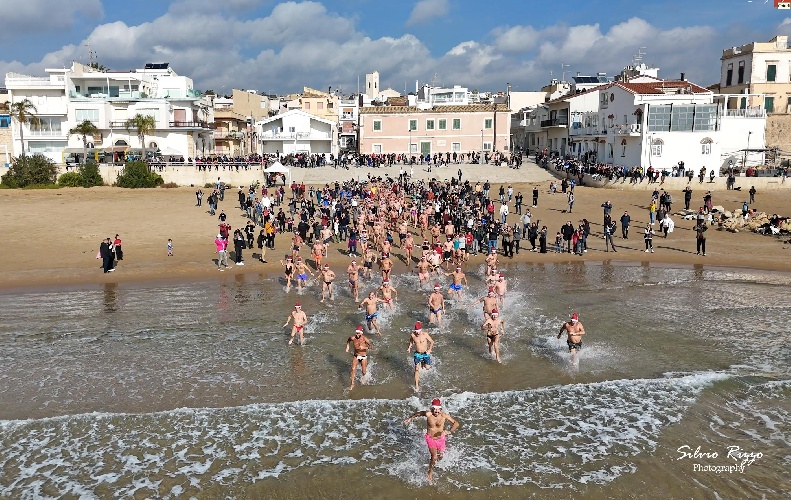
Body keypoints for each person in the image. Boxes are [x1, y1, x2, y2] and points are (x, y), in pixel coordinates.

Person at [403, 398, 460, 481]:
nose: (436, 411)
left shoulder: (444, 416)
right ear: (432, 408)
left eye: (438, 409)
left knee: (441, 456)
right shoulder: (428, 414)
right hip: (431, 439)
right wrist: (410, 418)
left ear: (440, 409)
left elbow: (456, 423)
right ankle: (430, 471)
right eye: (434, 409)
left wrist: (449, 431)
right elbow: (419, 413)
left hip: (441, 439)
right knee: (434, 457)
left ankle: (433, 463)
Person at [407, 322, 435, 390]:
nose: (417, 333)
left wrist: (429, 349)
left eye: (419, 331)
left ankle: (423, 363)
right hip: (417, 354)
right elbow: (411, 341)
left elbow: (432, 341)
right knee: (416, 369)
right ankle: (416, 384)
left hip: (425, 353)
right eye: (416, 332)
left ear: (421, 330)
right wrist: (409, 347)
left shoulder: (425, 334)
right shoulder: (413, 335)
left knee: (427, 367)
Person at [346, 325, 373, 391]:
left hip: (363, 357)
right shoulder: (353, 338)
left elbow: (372, 347)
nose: (357, 335)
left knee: (363, 372)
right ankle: (352, 384)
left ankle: (365, 377)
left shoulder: (365, 339)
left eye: (358, 333)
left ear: (361, 333)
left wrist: (364, 347)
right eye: (356, 333)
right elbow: (348, 341)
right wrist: (347, 347)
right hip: (356, 356)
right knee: (353, 368)